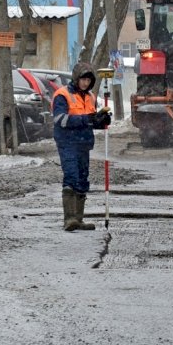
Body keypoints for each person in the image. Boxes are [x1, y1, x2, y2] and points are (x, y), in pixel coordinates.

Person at [52, 62, 112, 231]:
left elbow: (89, 121)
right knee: (71, 176)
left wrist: (100, 121)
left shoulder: (91, 97)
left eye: (88, 80)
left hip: (84, 143)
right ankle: (69, 219)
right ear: (76, 78)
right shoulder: (62, 95)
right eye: (83, 79)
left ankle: (78, 219)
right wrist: (88, 119)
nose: (85, 83)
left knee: (83, 178)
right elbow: (60, 120)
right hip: (67, 142)